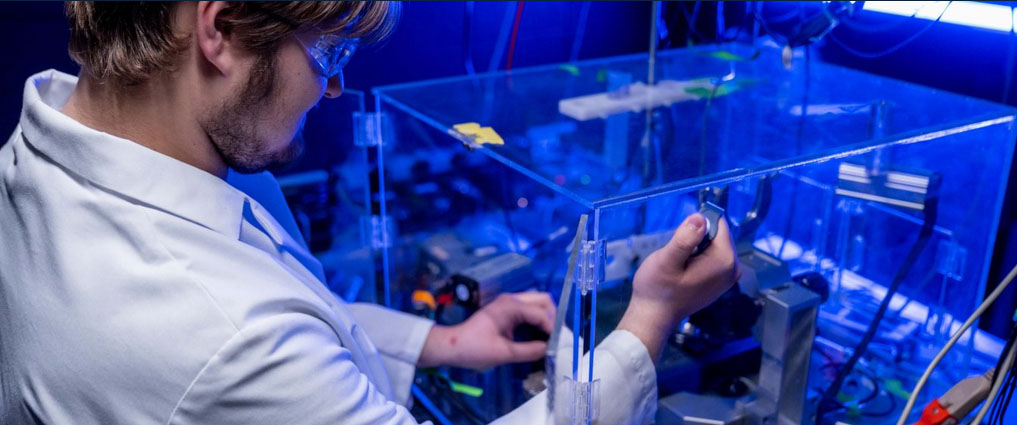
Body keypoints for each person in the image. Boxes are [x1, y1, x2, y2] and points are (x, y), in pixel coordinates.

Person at [0, 2, 739, 424]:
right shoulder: (209, 331)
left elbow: (289, 300)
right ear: (219, 29)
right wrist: (649, 318)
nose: (330, 90)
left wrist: (442, 344)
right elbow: (251, 335)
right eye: (326, 53)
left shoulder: (64, 130)